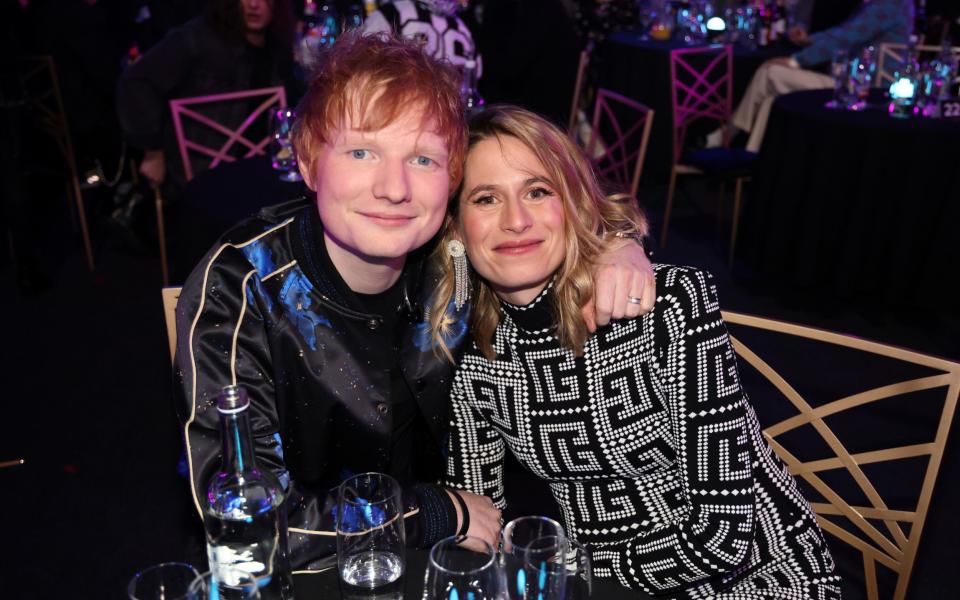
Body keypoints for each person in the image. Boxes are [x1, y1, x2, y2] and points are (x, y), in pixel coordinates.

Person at [175, 32, 656, 572]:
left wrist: (618, 243)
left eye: (423, 159)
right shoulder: (243, 285)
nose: (395, 188)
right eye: (362, 151)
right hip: (298, 573)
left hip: (438, 563)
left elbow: (545, 218)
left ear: (450, 178)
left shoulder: (450, 255)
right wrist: (426, 512)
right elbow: (246, 526)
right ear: (308, 161)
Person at [433, 105, 841, 598]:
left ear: (573, 203)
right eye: (486, 198)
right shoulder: (471, 357)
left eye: (538, 191)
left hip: (754, 576)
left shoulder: (664, 306)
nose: (517, 220)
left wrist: (569, 567)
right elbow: (481, 521)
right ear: (455, 228)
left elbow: (724, 535)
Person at [116, 0, 297, 193]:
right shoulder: (196, 38)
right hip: (203, 175)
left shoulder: (278, 46)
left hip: (264, 170)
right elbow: (136, 81)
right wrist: (152, 150)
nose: (254, 4)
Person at [723, 0, 914, 152]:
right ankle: (754, 159)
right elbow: (844, 32)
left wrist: (796, 61)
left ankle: (726, 136)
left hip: (865, 93)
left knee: (770, 72)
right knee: (771, 101)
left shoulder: (890, 4)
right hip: (850, 85)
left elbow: (846, 38)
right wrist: (810, 40)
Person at [361, 0, 480, 74]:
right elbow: (364, 67)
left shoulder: (463, 28)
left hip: (453, 109)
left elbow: (473, 82)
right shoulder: (391, 14)